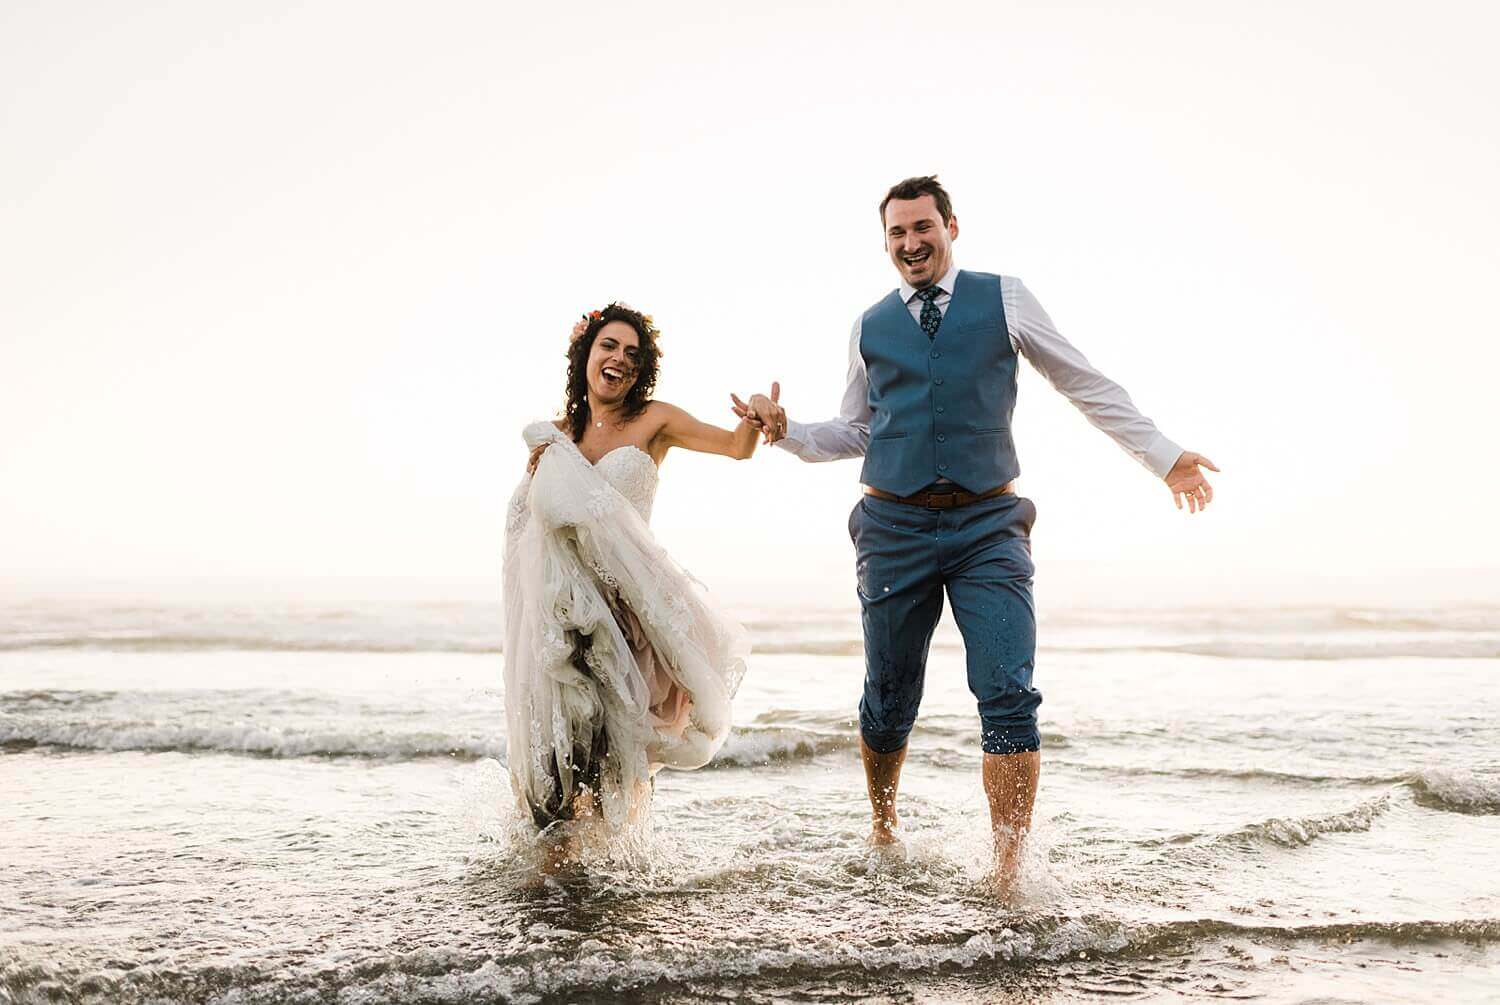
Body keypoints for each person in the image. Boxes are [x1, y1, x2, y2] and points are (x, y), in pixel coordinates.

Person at [736, 176, 1218, 894]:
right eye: (897, 234)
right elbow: (859, 428)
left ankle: (1007, 871)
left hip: (988, 522)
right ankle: (883, 825)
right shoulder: (870, 324)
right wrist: (788, 431)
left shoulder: (1005, 297)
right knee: (890, 695)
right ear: (887, 243)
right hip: (893, 524)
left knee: (1007, 690)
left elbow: (1083, 382)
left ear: (951, 227)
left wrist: (1163, 456)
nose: (910, 244)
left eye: (922, 228)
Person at [502, 302, 776, 868]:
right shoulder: (553, 440)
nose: (619, 359)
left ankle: (616, 868)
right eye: (608, 346)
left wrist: (756, 416)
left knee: (614, 747)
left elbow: (734, 446)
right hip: (564, 620)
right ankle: (562, 870)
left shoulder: (655, 421)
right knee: (564, 754)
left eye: (632, 353)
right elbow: (527, 533)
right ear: (586, 355)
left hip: (629, 618)